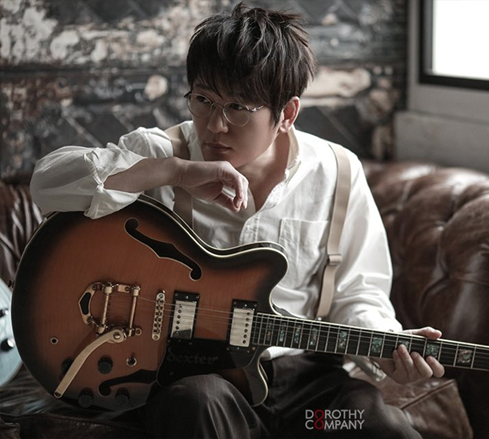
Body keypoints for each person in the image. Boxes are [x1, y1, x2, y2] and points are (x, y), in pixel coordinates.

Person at [30, 3, 445, 438]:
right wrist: (174, 172)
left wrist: (384, 345)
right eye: (203, 100)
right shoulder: (163, 152)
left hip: (307, 402)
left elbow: (359, 291)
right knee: (196, 403)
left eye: (238, 108)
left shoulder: (337, 172)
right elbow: (48, 184)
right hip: (202, 382)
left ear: (286, 114)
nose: (215, 125)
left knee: (378, 425)